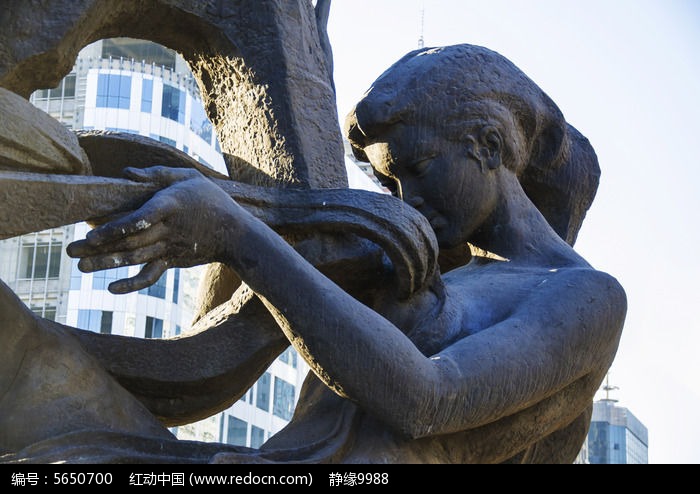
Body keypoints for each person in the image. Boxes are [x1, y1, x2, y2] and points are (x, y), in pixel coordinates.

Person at [0, 44, 626, 463]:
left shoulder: (582, 297)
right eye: (390, 181)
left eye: (420, 166)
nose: (408, 195)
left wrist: (240, 237)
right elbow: (211, 350)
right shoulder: (412, 265)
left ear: (488, 145)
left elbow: (430, 400)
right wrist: (246, 223)